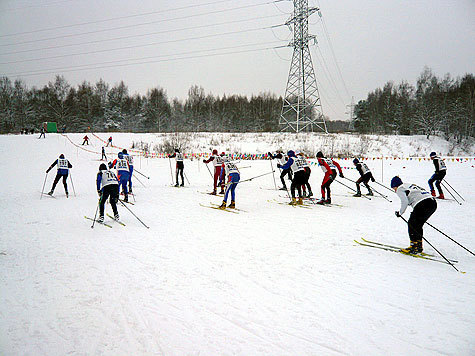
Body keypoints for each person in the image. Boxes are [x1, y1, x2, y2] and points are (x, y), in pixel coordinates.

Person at [391, 176, 437, 254]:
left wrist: (400, 213)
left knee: (412, 224)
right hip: (432, 203)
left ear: (395, 185)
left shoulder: (400, 188)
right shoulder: (408, 185)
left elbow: (404, 201)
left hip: (423, 204)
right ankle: (418, 245)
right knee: (417, 225)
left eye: (393, 189)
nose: (395, 191)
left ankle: (413, 246)